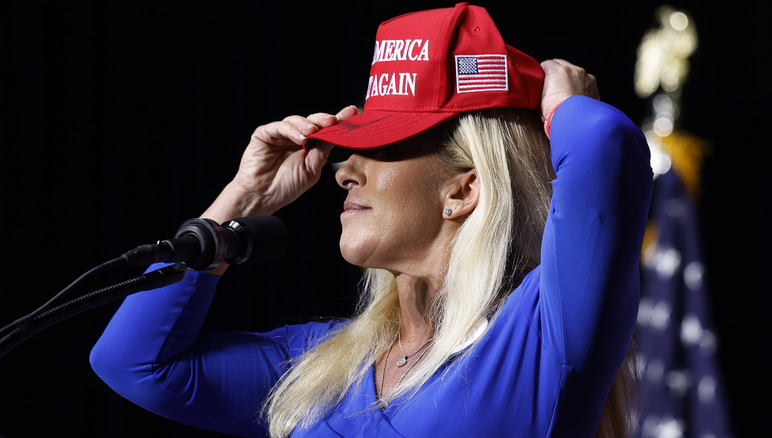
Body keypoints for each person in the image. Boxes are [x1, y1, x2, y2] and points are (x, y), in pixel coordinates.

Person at [90, 4, 652, 437]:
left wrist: (561, 107)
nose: (343, 170)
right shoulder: (322, 367)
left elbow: (606, 144)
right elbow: (133, 363)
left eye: (384, 146)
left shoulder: (540, 338)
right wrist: (240, 201)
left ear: (464, 187)